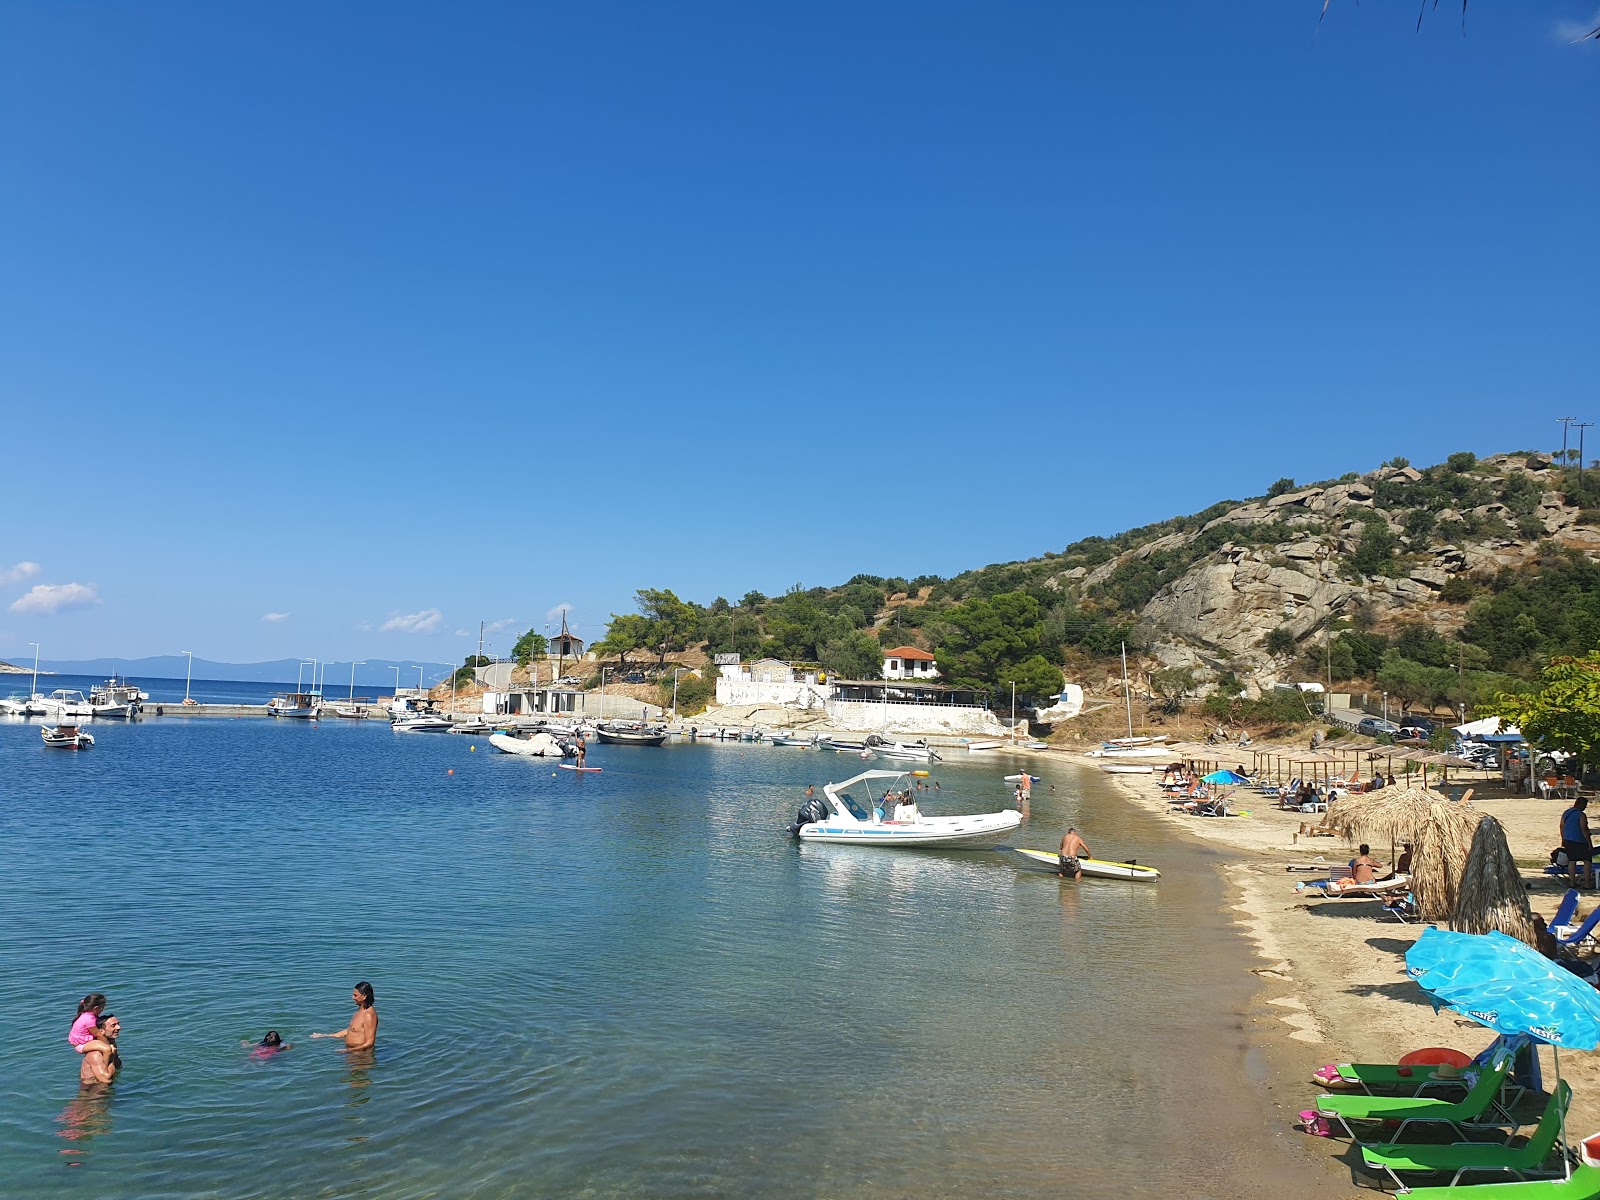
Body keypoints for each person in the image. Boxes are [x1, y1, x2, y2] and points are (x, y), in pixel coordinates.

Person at [312, 982, 378, 1050]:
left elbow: (369, 1043)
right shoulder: (359, 1010)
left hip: (361, 1055)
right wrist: (325, 1036)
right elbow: (351, 1030)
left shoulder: (368, 1015)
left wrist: (348, 1050)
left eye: (355, 995)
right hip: (352, 1052)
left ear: (364, 996)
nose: (352, 997)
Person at [69, 993, 116, 1064]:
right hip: (81, 1044)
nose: (102, 1010)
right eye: (102, 1007)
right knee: (107, 1049)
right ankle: (105, 1066)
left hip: (85, 1040)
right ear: (96, 1008)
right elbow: (98, 1035)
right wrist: (109, 1044)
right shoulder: (89, 1019)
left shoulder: (88, 1014)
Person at [1561, 797, 1595, 889]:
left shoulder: (1566, 813)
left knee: (1572, 861)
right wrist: (1589, 843)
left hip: (1568, 840)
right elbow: (1584, 829)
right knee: (1587, 861)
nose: (1585, 808)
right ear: (1581, 804)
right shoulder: (1581, 815)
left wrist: (1563, 839)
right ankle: (1587, 884)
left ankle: (1572, 882)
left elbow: (1562, 826)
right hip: (1580, 841)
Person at [79, 1014, 120, 1085]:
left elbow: (118, 1066)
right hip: (92, 1093)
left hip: (104, 1091)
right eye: (113, 1025)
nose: (119, 1027)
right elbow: (106, 1079)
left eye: (118, 1024)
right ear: (101, 1031)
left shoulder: (111, 1045)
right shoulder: (95, 1054)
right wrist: (112, 1056)